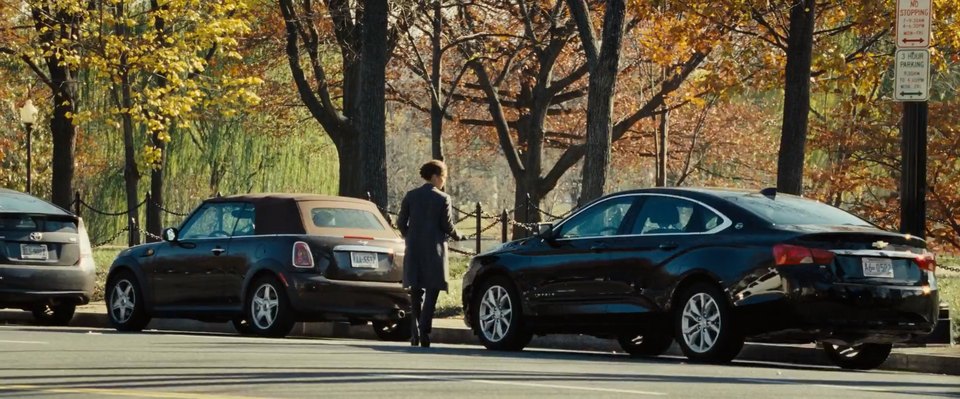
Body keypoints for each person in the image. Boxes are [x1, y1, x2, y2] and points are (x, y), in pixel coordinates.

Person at [396, 160, 465, 348]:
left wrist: (409, 236)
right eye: (443, 177)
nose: (443, 181)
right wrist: (458, 235)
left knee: (416, 292)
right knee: (432, 290)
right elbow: (446, 225)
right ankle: (425, 331)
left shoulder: (411, 196)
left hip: (414, 249)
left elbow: (401, 222)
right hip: (435, 250)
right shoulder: (443, 198)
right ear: (435, 176)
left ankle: (414, 331)